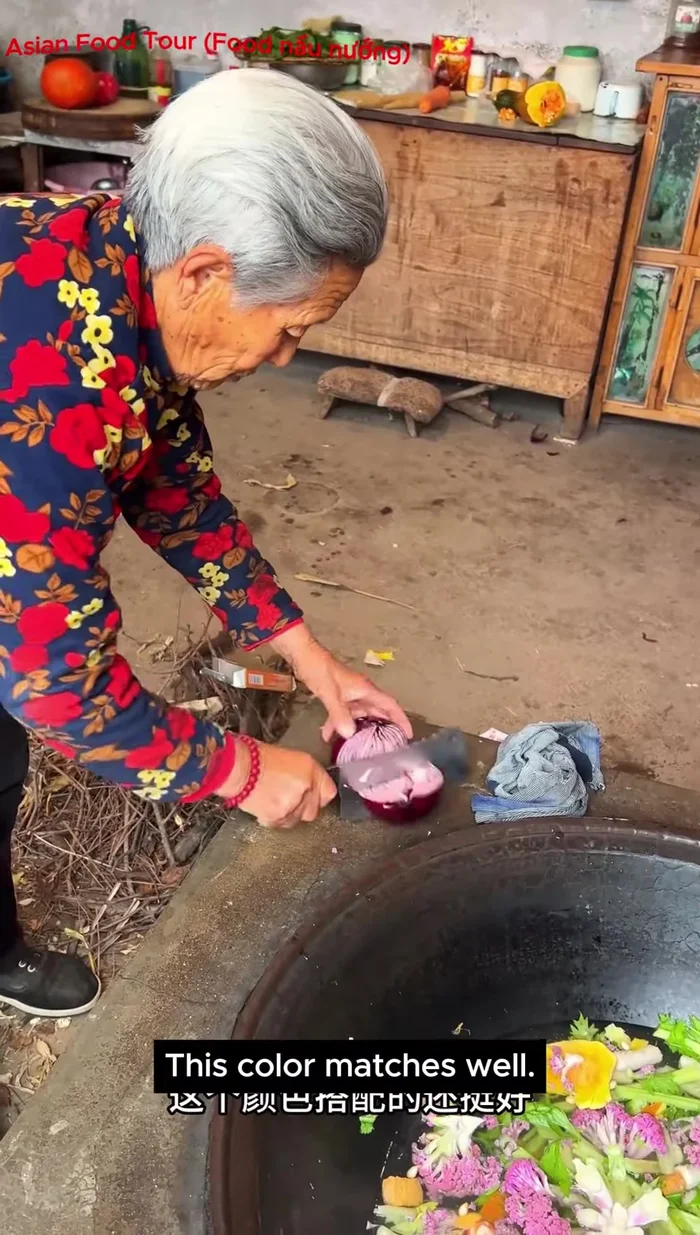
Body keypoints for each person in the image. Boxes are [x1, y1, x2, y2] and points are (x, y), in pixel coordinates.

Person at [0, 69, 410, 1018]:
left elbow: (173, 485)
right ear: (206, 272)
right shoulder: (49, 386)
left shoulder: (118, 262)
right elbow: (58, 685)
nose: (283, 360)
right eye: (289, 329)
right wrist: (242, 771)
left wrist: (310, 657)